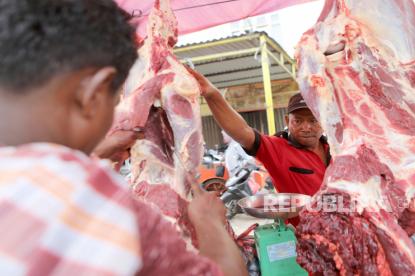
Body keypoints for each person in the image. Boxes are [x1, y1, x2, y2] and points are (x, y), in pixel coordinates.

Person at [0, 1, 246, 275]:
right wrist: (209, 222)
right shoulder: (109, 211)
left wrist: (100, 149)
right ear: (93, 94)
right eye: (115, 98)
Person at [189, 70, 330, 200]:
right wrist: (212, 94)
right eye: (298, 121)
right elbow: (243, 132)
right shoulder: (278, 148)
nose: (306, 127)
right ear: (287, 121)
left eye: (313, 120)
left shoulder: (336, 150)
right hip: (300, 227)